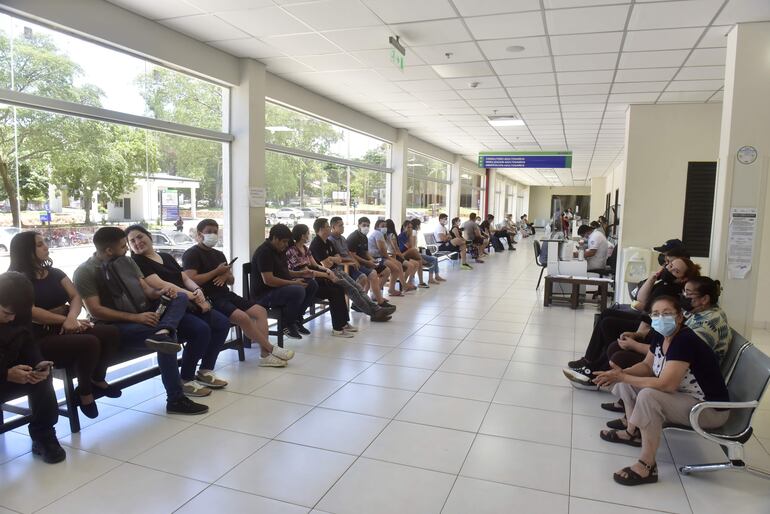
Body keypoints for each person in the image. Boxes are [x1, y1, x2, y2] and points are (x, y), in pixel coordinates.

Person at [593, 296, 729, 486]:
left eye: (667, 314)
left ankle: (647, 466)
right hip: (686, 398)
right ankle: (632, 432)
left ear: (680, 317)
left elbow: (667, 385)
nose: (660, 318)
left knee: (649, 395)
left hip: (708, 409)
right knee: (627, 380)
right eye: (656, 314)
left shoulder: (685, 340)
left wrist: (623, 376)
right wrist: (620, 373)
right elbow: (647, 366)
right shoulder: (660, 334)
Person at [73, 227, 208, 415]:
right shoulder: (85, 272)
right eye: (123, 246)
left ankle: (164, 330)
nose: (127, 249)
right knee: (167, 342)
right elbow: (96, 311)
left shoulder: (127, 262)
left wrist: (159, 292)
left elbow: (146, 290)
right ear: (109, 251)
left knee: (180, 297)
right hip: (115, 325)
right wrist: (135, 317)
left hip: (144, 315)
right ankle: (175, 399)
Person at [8, 232, 120, 418]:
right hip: (39, 338)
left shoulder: (55, 273)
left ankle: (96, 378)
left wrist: (72, 318)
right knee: (89, 342)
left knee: (110, 332)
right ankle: (84, 393)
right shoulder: (17, 280)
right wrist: (66, 320)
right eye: (39, 244)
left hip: (65, 327)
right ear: (26, 251)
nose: (46, 246)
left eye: (44, 242)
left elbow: (75, 296)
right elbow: (32, 312)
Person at [126, 225, 230, 394]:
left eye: (140, 237)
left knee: (222, 323)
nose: (137, 242)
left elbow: (184, 277)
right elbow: (160, 284)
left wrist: (198, 290)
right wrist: (192, 296)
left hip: (188, 301)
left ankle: (205, 370)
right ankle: (186, 379)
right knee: (201, 330)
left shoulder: (166, 256)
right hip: (168, 308)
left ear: (149, 236)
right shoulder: (138, 262)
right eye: (132, 241)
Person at [565, 257, 701, 379]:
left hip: (649, 327)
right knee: (606, 314)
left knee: (608, 323)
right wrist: (652, 278)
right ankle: (591, 361)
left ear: (683, 279)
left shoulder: (672, 293)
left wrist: (638, 334)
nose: (669, 269)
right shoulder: (663, 284)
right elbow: (640, 298)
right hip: (645, 322)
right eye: (670, 265)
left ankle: (597, 366)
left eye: (675, 271)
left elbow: (649, 315)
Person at [185, 219, 293, 365]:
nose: (213, 235)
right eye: (209, 232)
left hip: (226, 294)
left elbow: (231, 281)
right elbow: (192, 281)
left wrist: (225, 275)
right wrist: (216, 272)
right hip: (209, 298)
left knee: (260, 311)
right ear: (199, 234)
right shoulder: (191, 254)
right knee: (242, 317)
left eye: (215, 232)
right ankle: (270, 349)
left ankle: (264, 355)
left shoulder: (219, 254)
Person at [0, 272, 66, 463]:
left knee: (41, 376)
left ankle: (43, 435)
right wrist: (5, 374)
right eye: (6, 313)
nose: (12, 319)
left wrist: (38, 363)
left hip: (10, 371)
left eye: (17, 314)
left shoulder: (19, 310)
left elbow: (28, 342)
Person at [310, 218, 394, 322]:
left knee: (358, 287)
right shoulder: (316, 244)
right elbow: (326, 264)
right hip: (327, 276)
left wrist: (332, 259)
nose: (329, 229)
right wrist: (333, 259)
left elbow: (338, 258)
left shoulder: (327, 242)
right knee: (353, 290)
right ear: (321, 229)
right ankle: (374, 313)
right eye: (328, 227)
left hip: (336, 270)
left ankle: (377, 309)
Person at [286, 224, 354, 337]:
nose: (309, 235)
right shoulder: (292, 251)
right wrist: (327, 275)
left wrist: (327, 271)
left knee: (339, 288)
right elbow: (306, 272)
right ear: (303, 235)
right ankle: (337, 328)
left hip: (313, 282)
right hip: (304, 285)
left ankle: (343, 323)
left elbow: (316, 265)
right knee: (334, 292)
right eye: (308, 233)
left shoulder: (305, 249)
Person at [329, 216, 390, 308]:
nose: (343, 227)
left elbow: (351, 253)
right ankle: (364, 302)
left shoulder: (343, 238)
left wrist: (370, 260)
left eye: (368, 225)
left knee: (385, 270)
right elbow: (339, 258)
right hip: (344, 266)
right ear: (333, 227)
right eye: (340, 225)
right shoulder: (334, 240)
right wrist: (359, 261)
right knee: (369, 275)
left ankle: (371, 300)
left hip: (354, 263)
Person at [347, 217, 394, 302]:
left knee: (386, 270)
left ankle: (375, 294)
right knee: (373, 273)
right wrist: (368, 262)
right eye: (364, 225)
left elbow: (366, 252)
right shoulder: (353, 237)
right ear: (358, 225)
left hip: (366, 262)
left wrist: (372, 260)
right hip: (358, 263)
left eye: (368, 226)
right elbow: (352, 255)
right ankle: (375, 299)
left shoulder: (364, 237)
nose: (366, 227)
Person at [368, 219, 407, 297]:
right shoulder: (378, 234)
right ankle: (376, 293)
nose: (384, 228)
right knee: (396, 267)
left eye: (385, 226)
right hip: (375, 258)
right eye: (382, 226)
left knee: (398, 265)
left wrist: (389, 258)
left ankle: (392, 289)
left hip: (380, 256)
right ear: (376, 227)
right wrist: (389, 258)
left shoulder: (381, 234)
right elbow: (382, 250)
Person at [385, 219, 419, 290]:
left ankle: (407, 283)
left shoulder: (386, 235)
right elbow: (396, 249)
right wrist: (402, 257)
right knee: (410, 265)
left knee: (416, 263)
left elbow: (411, 246)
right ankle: (404, 284)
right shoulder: (391, 236)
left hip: (395, 255)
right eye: (408, 227)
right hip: (395, 256)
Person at [409, 218, 445, 284]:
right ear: (417, 225)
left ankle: (436, 276)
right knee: (433, 259)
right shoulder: (413, 232)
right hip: (415, 254)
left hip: (415, 253)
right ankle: (431, 278)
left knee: (434, 259)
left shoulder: (413, 232)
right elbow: (413, 246)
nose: (420, 226)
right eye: (419, 225)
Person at [396, 219, 427, 287]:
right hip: (401, 255)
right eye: (408, 227)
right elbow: (404, 249)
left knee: (418, 262)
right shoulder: (401, 236)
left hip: (408, 254)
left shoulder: (409, 235)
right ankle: (423, 260)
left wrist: (411, 236)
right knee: (414, 250)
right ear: (404, 227)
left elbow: (411, 246)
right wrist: (410, 237)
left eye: (411, 227)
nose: (410, 229)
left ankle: (411, 282)